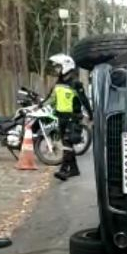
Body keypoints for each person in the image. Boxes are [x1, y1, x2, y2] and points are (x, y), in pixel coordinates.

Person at [45, 54, 92, 182]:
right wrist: (40, 106)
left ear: (66, 66)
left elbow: (84, 100)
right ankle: (74, 169)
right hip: (61, 118)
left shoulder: (75, 83)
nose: (56, 70)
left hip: (72, 117)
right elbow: (50, 97)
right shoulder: (59, 83)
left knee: (67, 143)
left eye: (58, 67)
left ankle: (63, 169)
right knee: (66, 144)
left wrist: (91, 115)